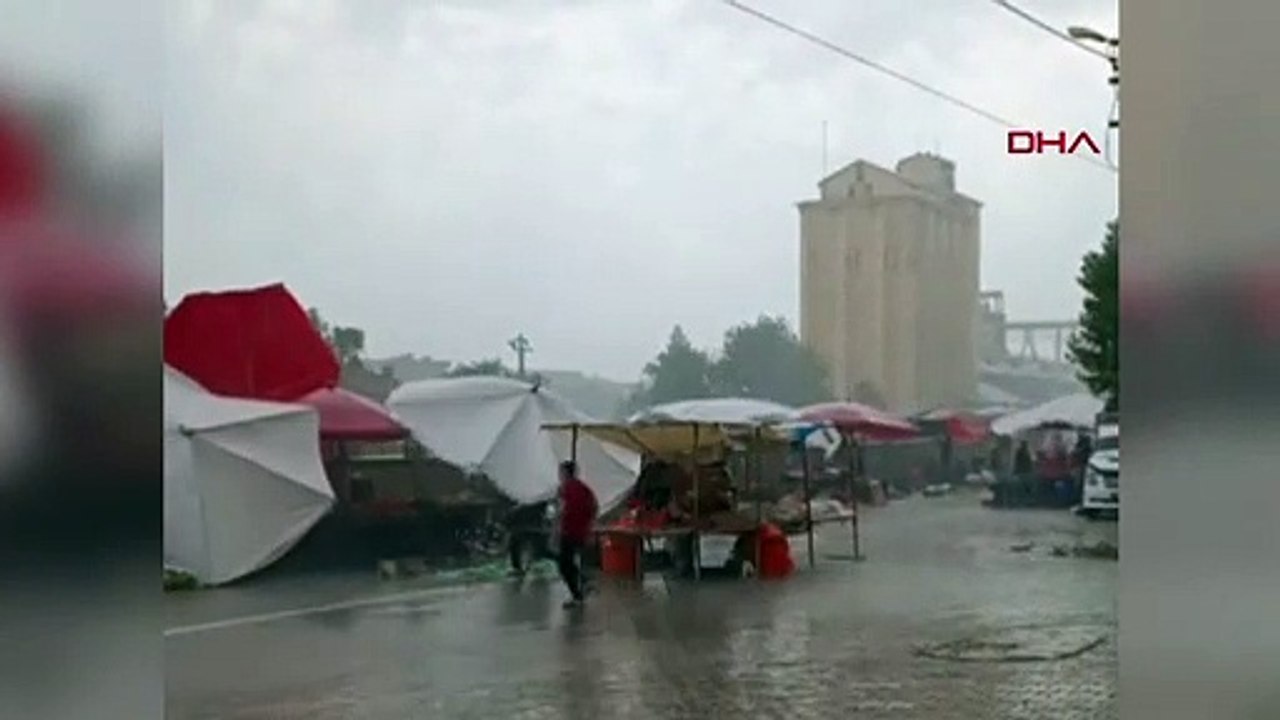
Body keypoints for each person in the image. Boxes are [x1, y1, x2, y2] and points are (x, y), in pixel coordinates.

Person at [556, 460, 598, 608]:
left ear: (565, 473)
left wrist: (556, 528)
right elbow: (594, 507)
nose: (559, 475)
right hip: (581, 531)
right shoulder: (584, 488)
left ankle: (579, 592)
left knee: (564, 565)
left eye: (560, 472)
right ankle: (582, 584)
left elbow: (561, 511)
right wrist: (589, 525)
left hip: (569, 530)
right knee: (569, 562)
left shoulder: (565, 489)